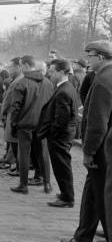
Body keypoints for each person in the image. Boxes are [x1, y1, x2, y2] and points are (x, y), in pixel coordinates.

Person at [61, 40, 112, 242]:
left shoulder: (103, 79)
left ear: (100, 57)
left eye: (89, 55)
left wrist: (89, 152)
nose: (87, 59)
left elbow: (97, 122)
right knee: (94, 192)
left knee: (102, 194)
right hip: (106, 145)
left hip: (102, 147)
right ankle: (83, 237)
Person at [9, 55, 54, 194]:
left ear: (27, 65)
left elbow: (15, 107)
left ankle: (23, 185)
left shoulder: (21, 83)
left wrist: (13, 124)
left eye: (21, 65)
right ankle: (47, 184)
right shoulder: (48, 83)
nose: (20, 68)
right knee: (43, 154)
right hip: (42, 125)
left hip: (25, 124)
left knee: (24, 154)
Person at [40, 59, 79, 207]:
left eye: (53, 71)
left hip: (60, 136)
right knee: (62, 166)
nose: (50, 73)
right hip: (64, 134)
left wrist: (53, 134)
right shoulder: (66, 87)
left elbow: (61, 119)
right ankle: (65, 193)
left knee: (62, 166)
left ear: (62, 72)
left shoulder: (63, 90)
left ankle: (67, 198)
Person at [0, 57, 23, 171]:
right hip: (11, 113)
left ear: (18, 67)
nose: (9, 69)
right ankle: (10, 160)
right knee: (11, 141)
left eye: (11, 67)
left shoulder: (18, 81)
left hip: (13, 114)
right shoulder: (15, 79)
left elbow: (10, 100)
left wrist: (3, 112)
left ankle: (15, 164)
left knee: (14, 141)